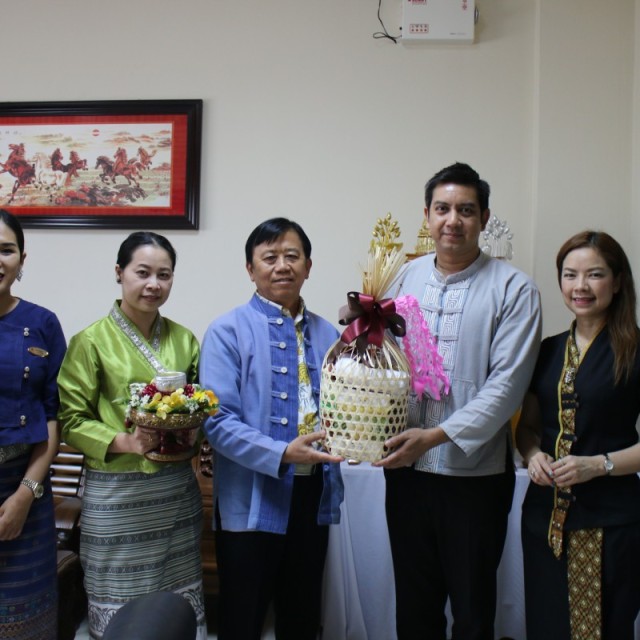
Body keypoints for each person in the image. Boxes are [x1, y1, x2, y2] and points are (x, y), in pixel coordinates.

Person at [374, 162, 542, 639]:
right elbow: (384, 362)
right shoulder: (402, 279)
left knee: (472, 612)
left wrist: (435, 436)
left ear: (484, 218)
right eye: (443, 209)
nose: (453, 220)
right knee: (414, 607)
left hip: (474, 479)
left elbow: (506, 387)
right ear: (426, 216)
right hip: (406, 474)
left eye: (466, 210)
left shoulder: (514, 289)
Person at [199, 217, 344, 640]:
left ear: (308, 266)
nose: (282, 266)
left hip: (313, 494)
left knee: (302, 616)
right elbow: (217, 421)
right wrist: (281, 453)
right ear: (251, 269)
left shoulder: (329, 334)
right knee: (242, 618)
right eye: (270, 257)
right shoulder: (226, 331)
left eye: (292, 256)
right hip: (250, 497)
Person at [57, 231, 207, 639]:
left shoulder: (185, 340)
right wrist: (128, 442)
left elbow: (200, 406)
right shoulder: (90, 341)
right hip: (117, 497)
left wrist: (193, 430)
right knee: (119, 608)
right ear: (119, 272)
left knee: (176, 606)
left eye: (164, 275)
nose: (154, 284)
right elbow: (71, 420)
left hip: (174, 493)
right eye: (143, 273)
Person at [517, 231, 640, 640]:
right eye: (570, 275)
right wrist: (533, 454)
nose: (580, 286)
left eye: (595, 274)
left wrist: (599, 465)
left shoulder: (635, 350)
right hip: (544, 521)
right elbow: (528, 428)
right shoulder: (547, 350)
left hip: (608, 522)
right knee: (547, 627)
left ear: (617, 282)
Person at [0, 210, 66, 639]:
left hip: (24, 484)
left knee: (24, 622)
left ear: (22, 259)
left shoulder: (42, 323)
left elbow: (52, 415)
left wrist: (25, 494)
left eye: (6, 250)